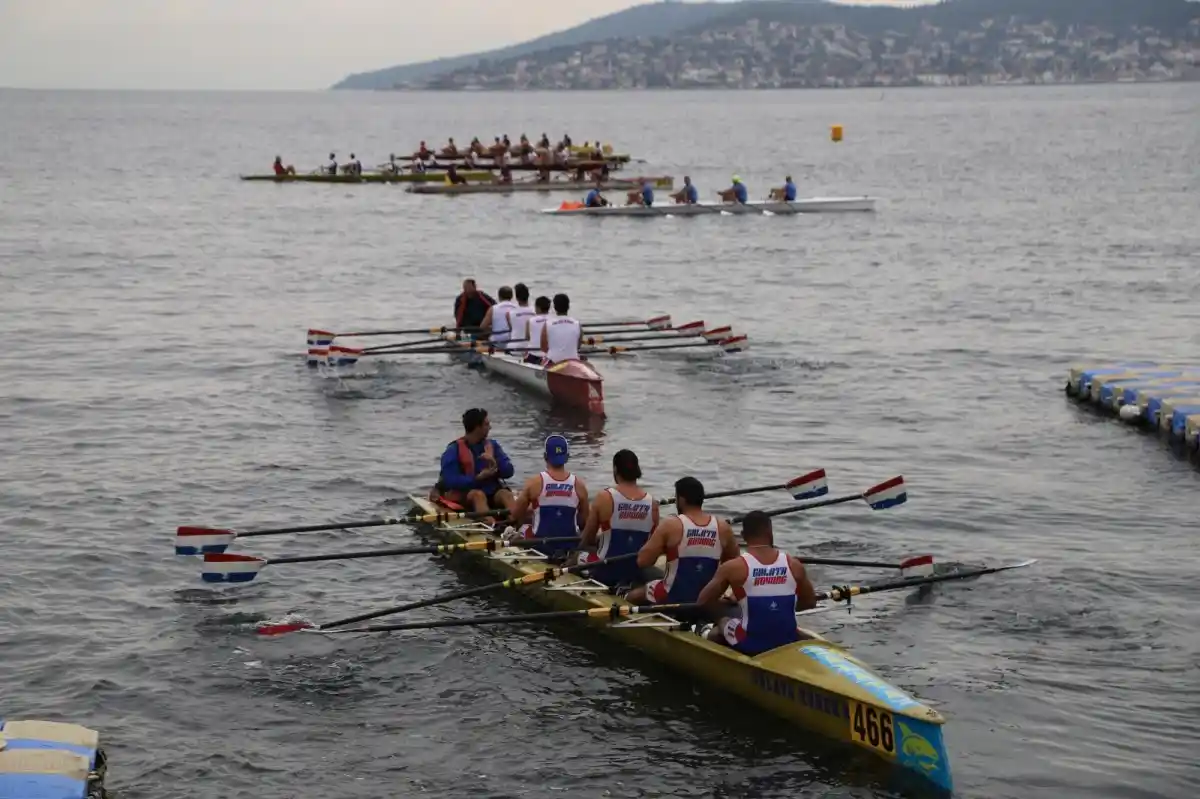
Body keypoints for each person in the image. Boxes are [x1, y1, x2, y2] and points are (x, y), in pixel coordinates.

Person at [697, 511, 818, 655]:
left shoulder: (733, 567)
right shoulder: (794, 564)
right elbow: (810, 602)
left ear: (743, 535)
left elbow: (702, 602)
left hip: (750, 644)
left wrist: (732, 601)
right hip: (788, 640)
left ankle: (704, 635)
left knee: (723, 621)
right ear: (770, 532)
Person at [625, 476, 739, 607]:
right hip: (706, 600)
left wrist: (663, 547)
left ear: (681, 500)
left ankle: (622, 601)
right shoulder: (723, 527)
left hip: (672, 597)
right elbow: (736, 567)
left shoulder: (671, 524)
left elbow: (643, 561)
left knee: (637, 593)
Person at [578, 450, 659, 589]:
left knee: (579, 555)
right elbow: (651, 549)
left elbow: (587, 540)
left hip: (604, 572)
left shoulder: (604, 497)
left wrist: (598, 540)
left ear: (615, 470)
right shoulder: (652, 504)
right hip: (635, 573)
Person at [509, 435, 590, 560]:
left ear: (545, 456)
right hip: (568, 546)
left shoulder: (534, 483)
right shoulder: (580, 486)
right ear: (567, 457)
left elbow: (515, 515)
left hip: (540, 547)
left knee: (523, 527)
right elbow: (584, 522)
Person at [433, 408, 516, 519]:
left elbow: (509, 471)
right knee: (478, 495)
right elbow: (450, 480)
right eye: (486, 424)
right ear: (477, 427)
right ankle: (490, 526)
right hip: (467, 496)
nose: (490, 427)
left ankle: (517, 524)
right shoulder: (453, 450)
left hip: (491, 493)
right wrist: (477, 478)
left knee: (506, 494)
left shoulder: (492, 446)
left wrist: (495, 463)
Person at [540, 293, 582, 365]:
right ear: (568, 306)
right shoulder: (577, 324)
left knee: (542, 362)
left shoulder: (548, 324)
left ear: (554, 307)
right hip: (573, 361)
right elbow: (578, 346)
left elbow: (543, 348)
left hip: (553, 361)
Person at [504, 283, 536, 351]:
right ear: (528, 295)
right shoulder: (536, 312)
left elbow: (511, 329)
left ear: (516, 298)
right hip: (531, 349)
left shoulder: (509, 314)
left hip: (514, 348)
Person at [522, 296, 553, 365]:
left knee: (526, 352)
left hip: (533, 354)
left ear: (538, 308)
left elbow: (527, 337)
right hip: (548, 356)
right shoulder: (553, 320)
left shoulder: (530, 321)